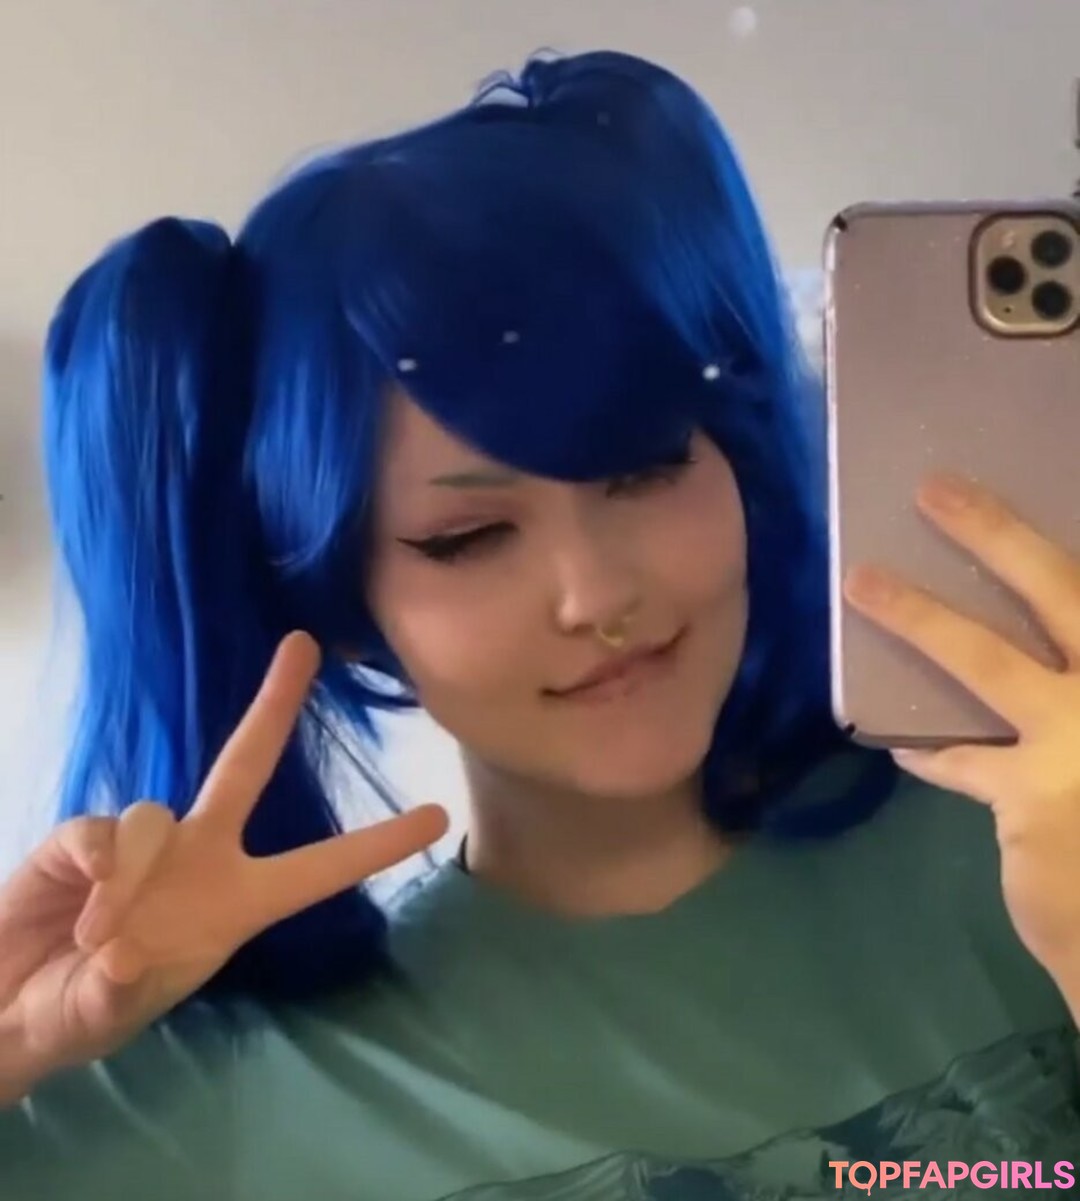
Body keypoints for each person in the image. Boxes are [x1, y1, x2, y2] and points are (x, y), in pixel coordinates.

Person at [1, 47, 1079, 1201]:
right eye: (468, 538)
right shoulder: (214, 1102)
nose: (596, 594)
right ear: (338, 606)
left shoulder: (1028, 835)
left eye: (645, 467)